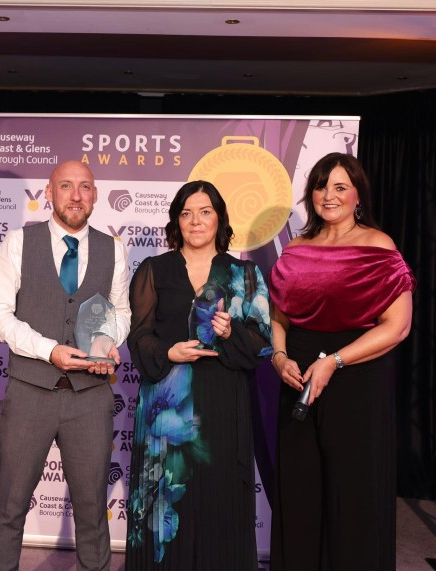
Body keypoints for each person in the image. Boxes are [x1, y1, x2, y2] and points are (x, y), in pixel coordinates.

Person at [268, 152, 415, 571]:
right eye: (320, 186)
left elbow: (397, 326)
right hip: (298, 378)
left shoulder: (378, 245)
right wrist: (279, 357)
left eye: (339, 187)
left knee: (353, 492)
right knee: (299, 489)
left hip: (356, 377)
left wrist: (335, 360)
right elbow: (280, 314)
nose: (328, 196)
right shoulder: (296, 248)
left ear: (357, 196)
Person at [0, 160, 131, 571]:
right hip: (30, 392)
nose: (76, 195)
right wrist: (49, 350)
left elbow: (120, 312)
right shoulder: (17, 242)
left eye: (85, 187)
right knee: (10, 508)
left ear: (96, 194)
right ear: (48, 193)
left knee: (91, 512)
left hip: (90, 398)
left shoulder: (112, 248)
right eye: (65, 186)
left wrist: (108, 341)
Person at [125, 180, 272, 570]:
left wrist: (230, 332)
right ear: (177, 220)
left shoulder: (245, 273)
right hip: (164, 402)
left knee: (219, 498)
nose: (196, 221)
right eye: (187, 213)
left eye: (205, 211)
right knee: (163, 498)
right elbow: (138, 334)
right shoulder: (154, 270)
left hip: (223, 402)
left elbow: (262, 342)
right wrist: (167, 351)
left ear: (219, 218)